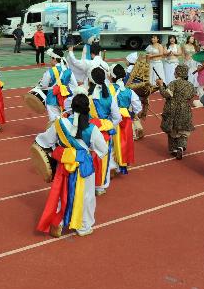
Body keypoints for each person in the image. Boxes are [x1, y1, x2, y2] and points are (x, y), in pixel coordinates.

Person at [35, 94, 108, 238]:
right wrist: (87, 151)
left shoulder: (59, 123)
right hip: (83, 166)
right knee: (86, 196)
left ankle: (58, 221)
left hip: (65, 164)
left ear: (72, 107)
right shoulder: (91, 129)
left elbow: (44, 141)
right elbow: (103, 150)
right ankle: (83, 226)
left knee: (63, 193)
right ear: (87, 108)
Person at [86, 67, 121, 195]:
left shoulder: (86, 95)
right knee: (103, 159)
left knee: (88, 157)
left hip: (88, 131)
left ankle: (87, 184)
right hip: (104, 133)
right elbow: (117, 117)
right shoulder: (109, 97)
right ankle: (100, 186)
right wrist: (107, 125)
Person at [156, 64, 196, 160]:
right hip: (185, 108)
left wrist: (161, 86)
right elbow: (191, 96)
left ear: (177, 73)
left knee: (172, 129)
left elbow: (166, 94)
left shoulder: (173, 83)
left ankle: (173, 149)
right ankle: (181, 147)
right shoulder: (190, 85)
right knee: (183, 130)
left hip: (172, 109)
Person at [110, 64, 141, 172]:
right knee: (123, 141)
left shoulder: (108, 89)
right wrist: (136, 113)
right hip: (125, 116)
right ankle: (121, 165)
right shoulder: (129, 91)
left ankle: (111, 165)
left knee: (111, 140)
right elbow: (137, 105)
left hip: (111, 116)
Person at [38, 48, 77, 121]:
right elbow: (75, 85)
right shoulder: (68, 71)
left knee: (54, 121)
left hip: (52, 97)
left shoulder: (50, 71)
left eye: (51, 58)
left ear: (55, 59)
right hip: (65, 98)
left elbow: (44, 85)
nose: (50, 60)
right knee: (64, 119)